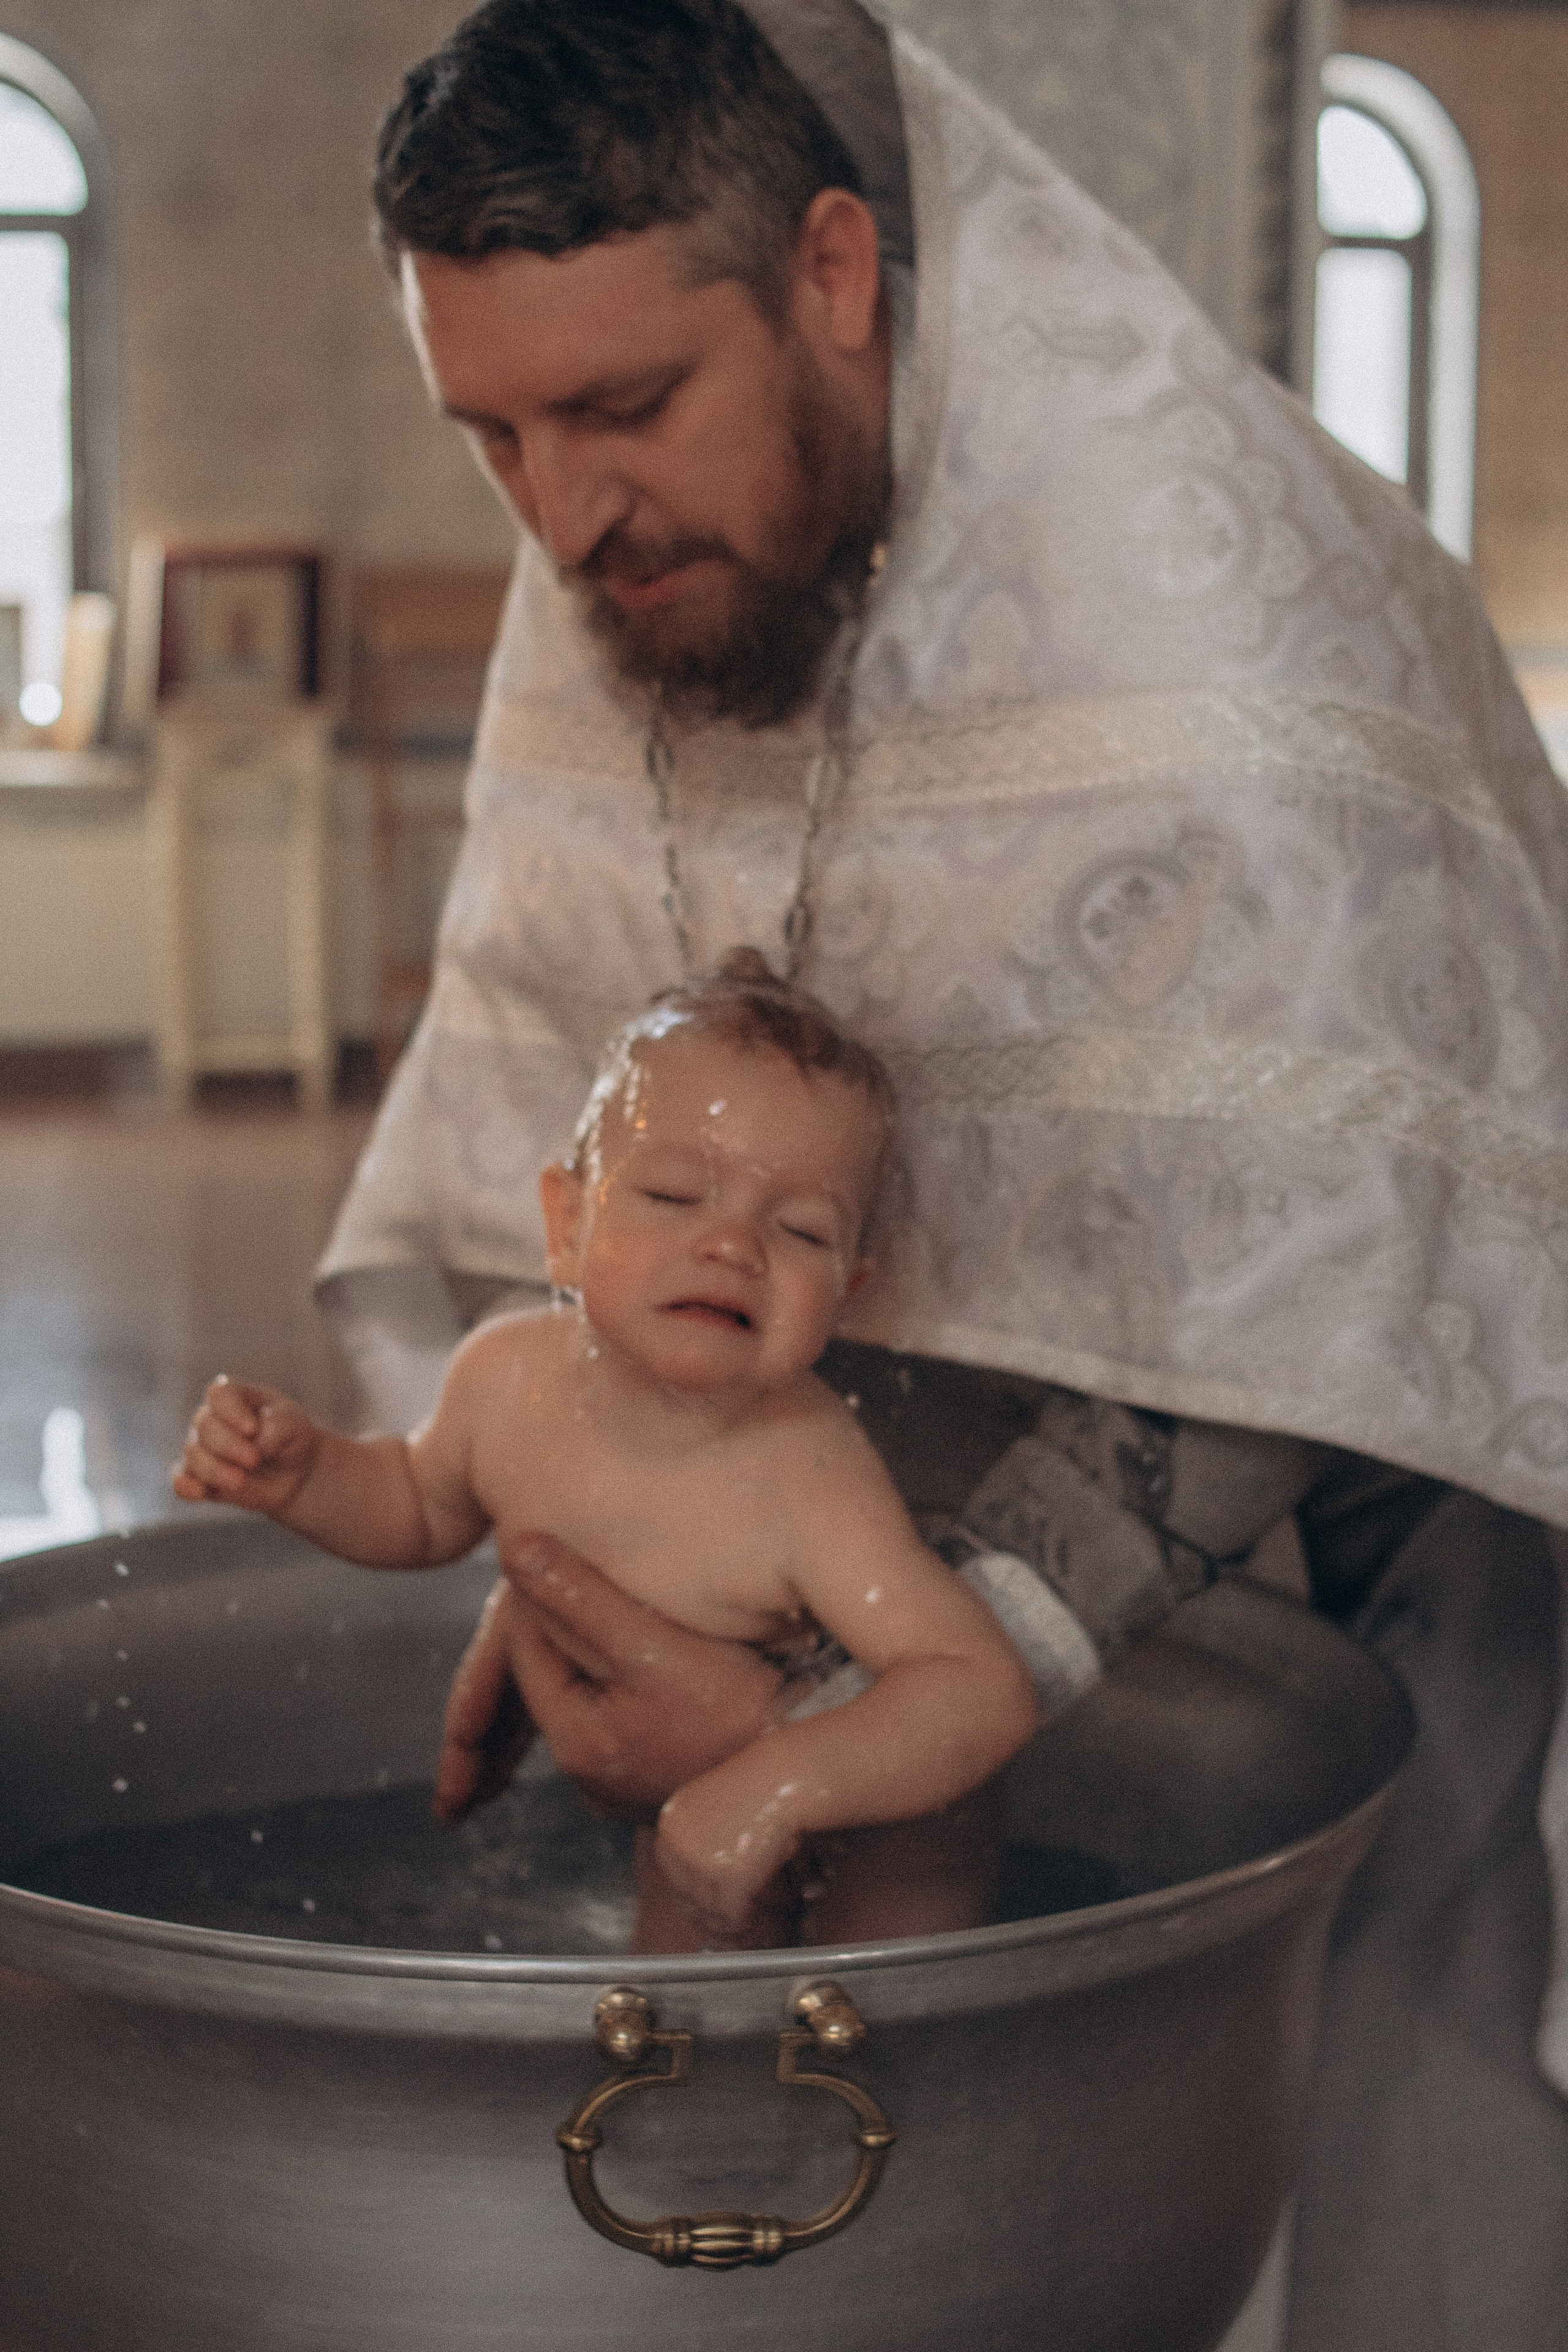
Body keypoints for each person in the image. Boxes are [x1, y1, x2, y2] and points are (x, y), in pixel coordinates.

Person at [317, 2, 1568, 2343]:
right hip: (909, 1553)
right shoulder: (637, 557)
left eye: (619, 409)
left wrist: (855, 1700)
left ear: (833, 271)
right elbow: (595, 1163)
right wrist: (610, 1564)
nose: (561, 515)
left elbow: (1311, 1271)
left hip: (1371, 1532)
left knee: (1377, 2139)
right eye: (487, 429)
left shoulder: (1207, 585)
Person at [176, 951, 1039, 1950]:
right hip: (690, 1799)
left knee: (882, 2022)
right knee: (671, 2005)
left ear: (847, 1291)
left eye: (801, 1231)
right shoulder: (505, 1380)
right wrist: (310, 1476)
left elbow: (975, 1686)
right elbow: (417, 1504)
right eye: (676, 1196)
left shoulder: (806, 1476)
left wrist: (776, 1788)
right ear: (568, 1222)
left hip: (893, 1821)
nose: (733, 1246)